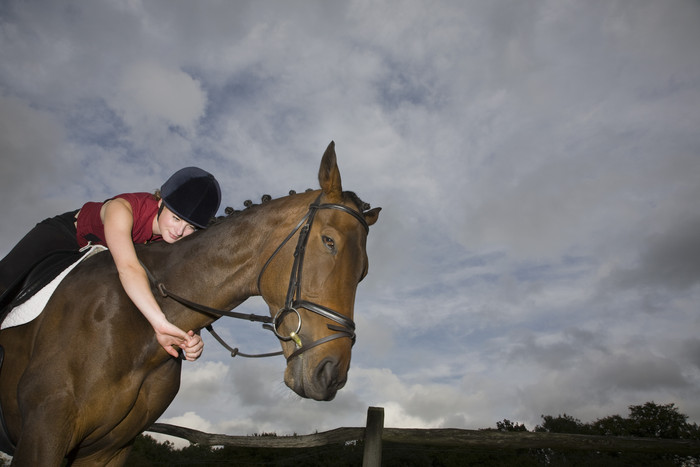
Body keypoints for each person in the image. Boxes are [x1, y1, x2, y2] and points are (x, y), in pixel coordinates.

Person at [0, 167, 221, 361]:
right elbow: (129, 268)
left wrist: (192, 338)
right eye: (176, 218)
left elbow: (178, 291)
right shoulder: (122, 209)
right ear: (161, 203)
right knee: (5, 279)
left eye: (190, 227)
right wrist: (160, 324)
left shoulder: (174, 242)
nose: (180, 231)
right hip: (66, 238)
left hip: (98, 264)